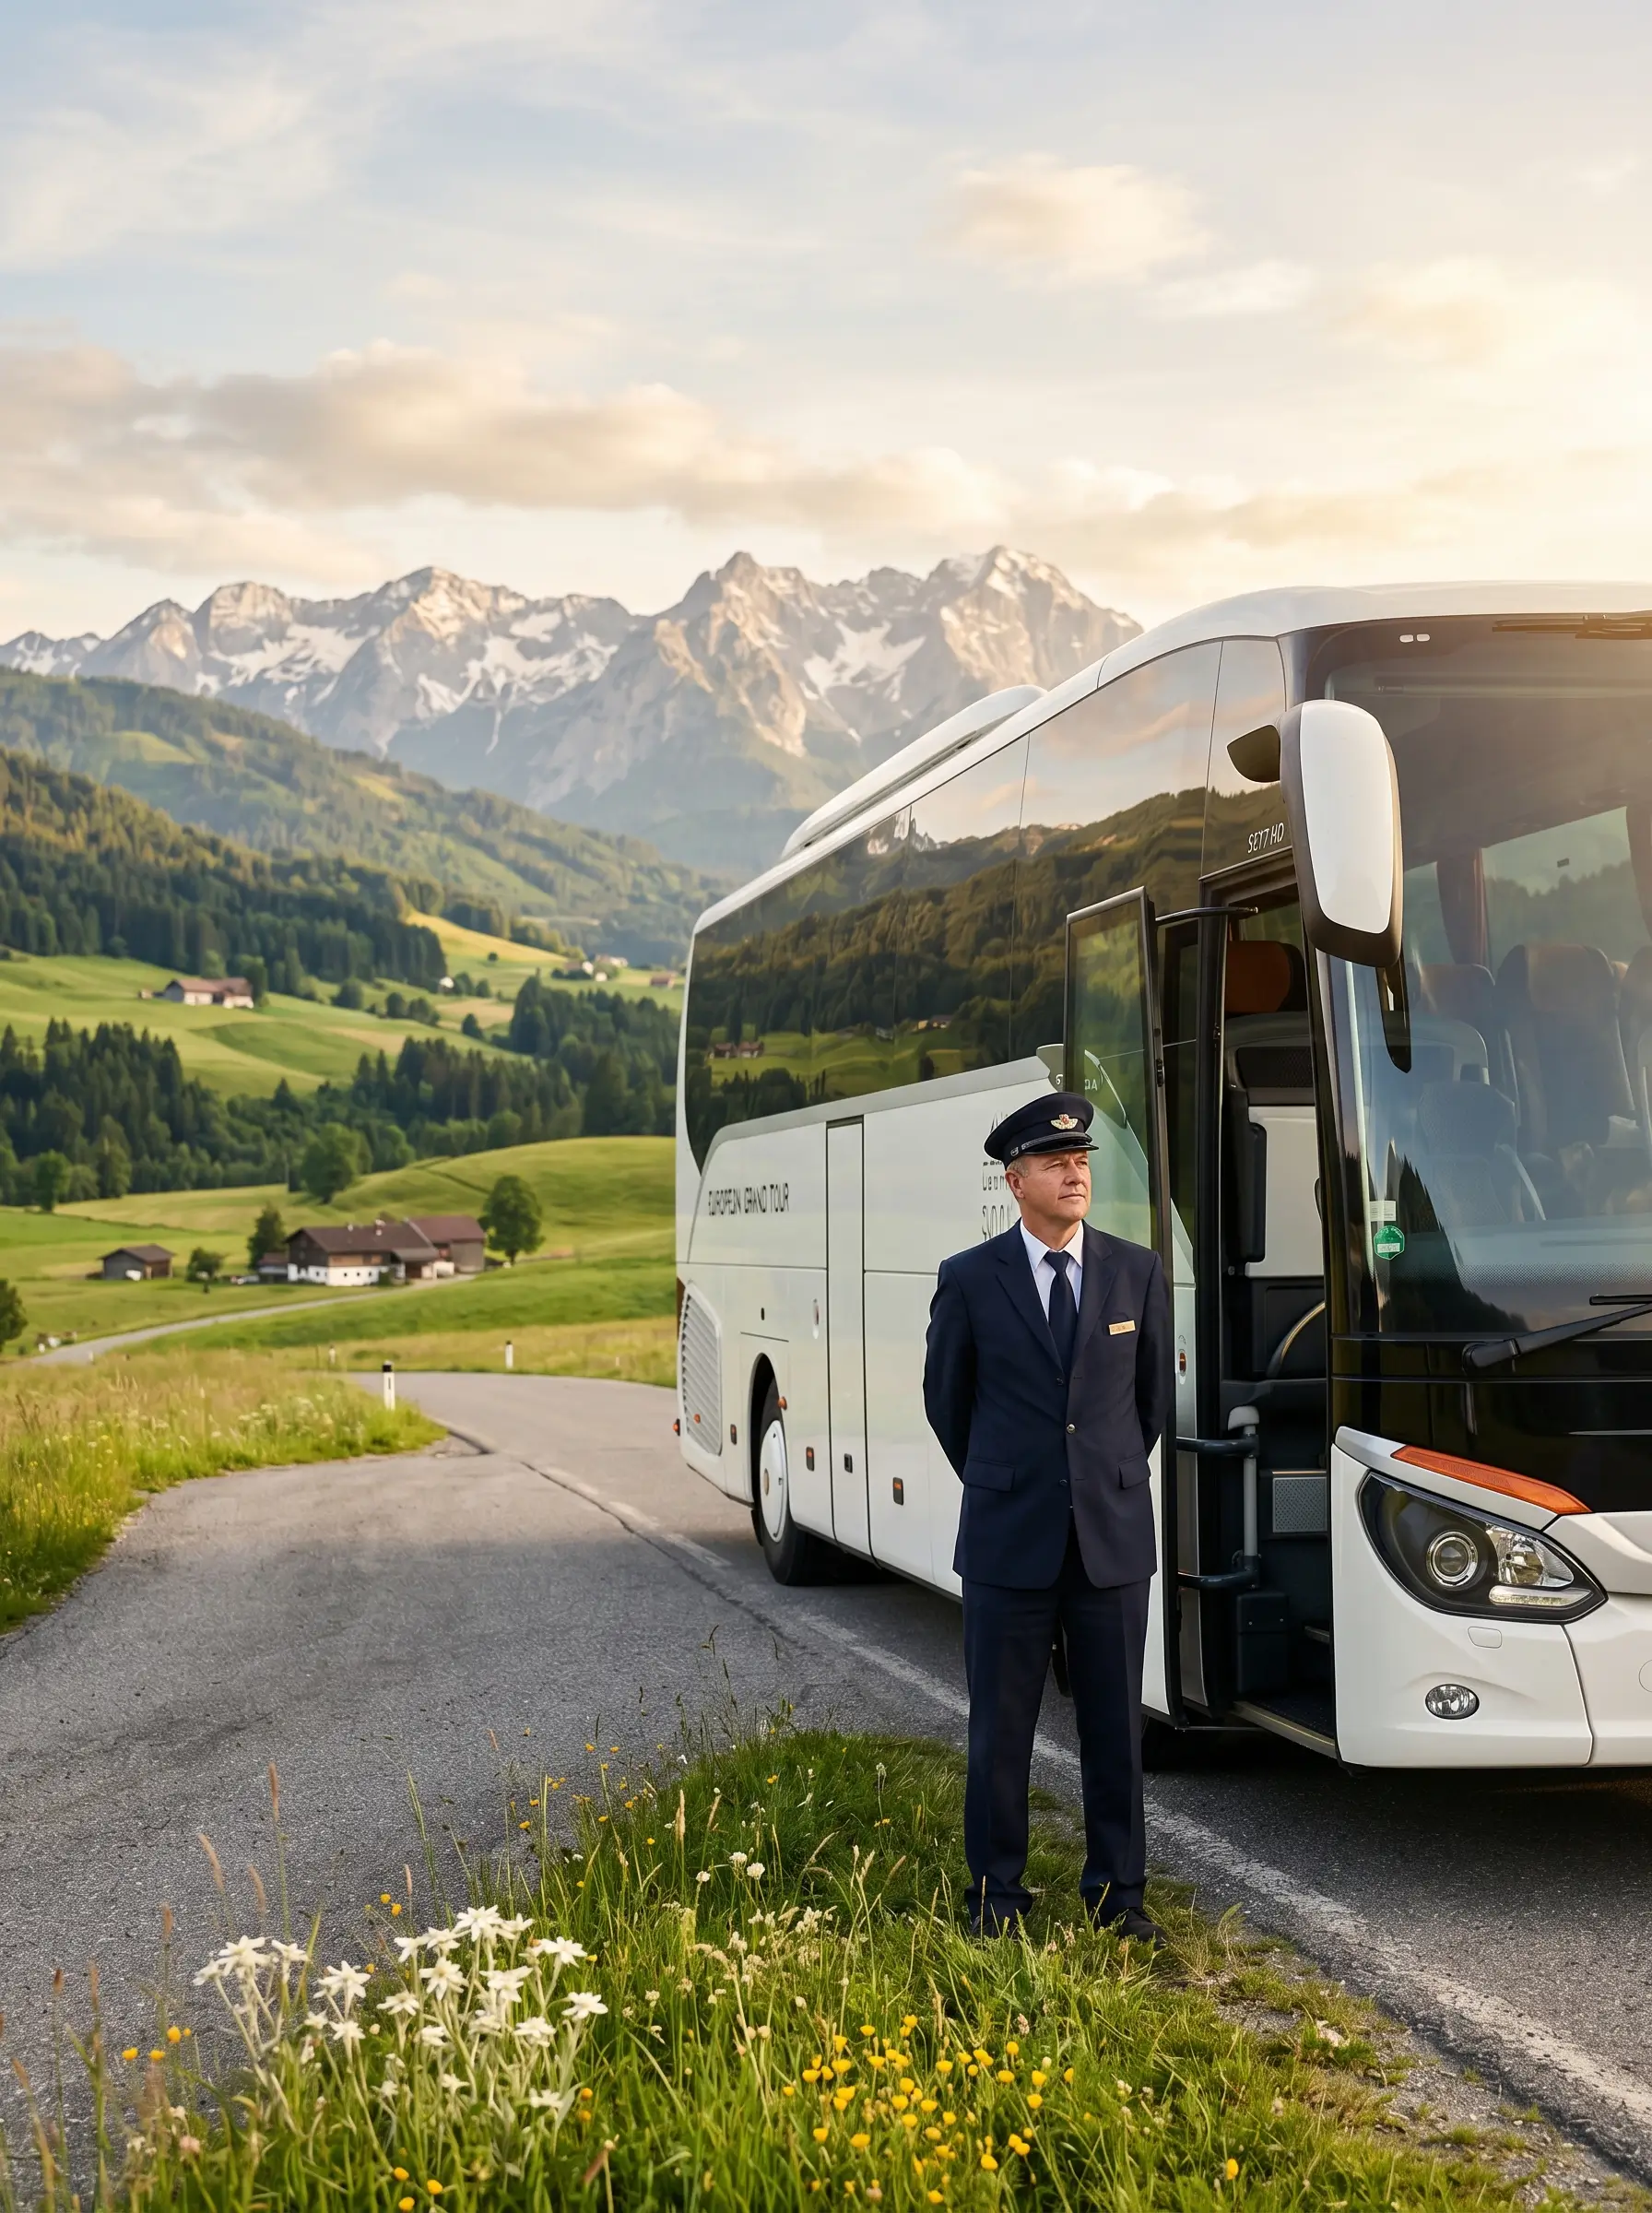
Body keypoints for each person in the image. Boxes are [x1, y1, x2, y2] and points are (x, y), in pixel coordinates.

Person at [923, 1090, 1172, 1939]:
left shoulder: (1136, 1271)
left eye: (1083, 1161)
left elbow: (1149, 1408)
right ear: (1014, 1178)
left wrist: (1095, 1482)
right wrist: (1006, 1481)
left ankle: (1119, 1899)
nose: (1075, 1172)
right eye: (1056, 1162)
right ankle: (996, 1899)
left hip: (1109, 1541)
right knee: (1001, 1733)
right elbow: (947, 1405)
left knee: (1116, 1734)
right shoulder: (968, 1280)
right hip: (1008, 1541)